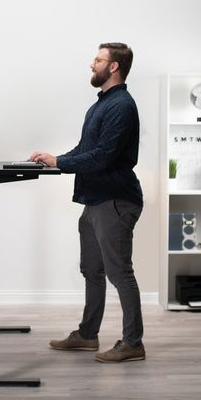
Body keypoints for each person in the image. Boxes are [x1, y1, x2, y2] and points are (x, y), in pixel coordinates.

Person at [30, 43, 145, 363]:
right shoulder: (101, 105)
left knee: (119, 272)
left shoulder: (121, 105)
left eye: (98, 59)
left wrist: (59, 162)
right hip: (95, 200)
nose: (91, 64)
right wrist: (54, 160)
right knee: (91, 269)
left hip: (115, 200)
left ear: (113, 67)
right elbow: (85, 149)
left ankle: (133, 343)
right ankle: (87, 335)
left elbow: (104, 157)